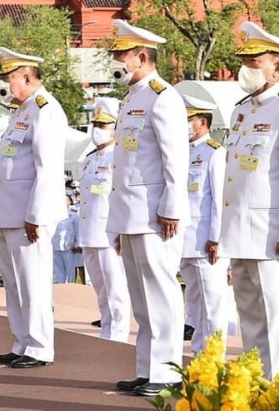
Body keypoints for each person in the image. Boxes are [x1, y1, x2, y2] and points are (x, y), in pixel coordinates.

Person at [219, 21, 279, 378]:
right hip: (241, 236)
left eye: (253, 61)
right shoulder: (241, 111)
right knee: (252, 322)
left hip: (273, 237)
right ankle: (258, 389)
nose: (243, 69)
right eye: (242, 60)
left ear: (277, 69)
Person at [106, 20, 190, 397]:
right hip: (132, 211)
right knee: (141, 296)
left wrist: (171, 206)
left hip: (156, 213)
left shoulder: (162, 96)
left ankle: (168, 372)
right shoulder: (133, 97)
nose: (115, 62)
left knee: (161, 292)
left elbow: (176, 157)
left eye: (120, 55)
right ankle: (147, 368)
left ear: (142, 57)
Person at [0, 47, 68, 369]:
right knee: (14, 281)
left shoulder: (45, 110)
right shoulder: (21, 111)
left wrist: (35, 214)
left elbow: (46, 168)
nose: (4, 84)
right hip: (8, 211)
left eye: (9, 78)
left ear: (26, 76)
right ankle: (21, 340)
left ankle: (39, 346)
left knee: (32, 281)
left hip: (27, 214)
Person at [76, 97, 131, 342]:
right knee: (100, 288)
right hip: (89, 231)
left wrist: (121, 229)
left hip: (109, 231)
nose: (98, 130)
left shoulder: (119, 157)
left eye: (104, 125)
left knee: (115, 287)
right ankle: (106, 327)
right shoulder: (89, 159)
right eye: (96, 124)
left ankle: (118, 333)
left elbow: (122, 196)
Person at [178, 94, 228, 355]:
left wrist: (216, 238)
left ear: (202, 122)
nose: (184, 124)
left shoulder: (214, 153)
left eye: (189, 119)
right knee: (194, 303)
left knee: (212, 303)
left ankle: (214, 356)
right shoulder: (182, 152)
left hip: (205, 240)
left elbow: (219, 199)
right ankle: (200, 354)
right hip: (184, 239)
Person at [53, 195, 79, 284]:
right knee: (58, 271)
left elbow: (78, 231)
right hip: (56, 245)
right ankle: (61, 290)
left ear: (69, 202)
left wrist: (78, 244)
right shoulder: (53, 215)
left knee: (71, 271)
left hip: (69, 247)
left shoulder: (73, 215)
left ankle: (72, 289)